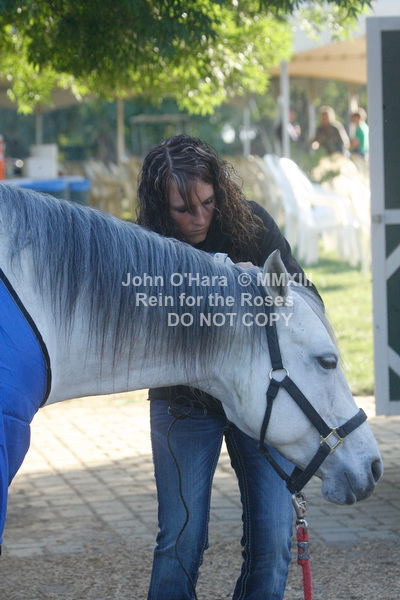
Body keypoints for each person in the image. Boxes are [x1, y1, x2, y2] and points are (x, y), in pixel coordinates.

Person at [136, 134, 315, 600]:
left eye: (208, 202)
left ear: (220, 191)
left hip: (261, 401)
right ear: (160, 209)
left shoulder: (252, 224)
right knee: (180, 541)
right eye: (182, 209)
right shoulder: (147, 245)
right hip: (184, 402)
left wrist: (256, 287)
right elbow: (141, 327)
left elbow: (304, 299)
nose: (199, 217)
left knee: (274, 542)